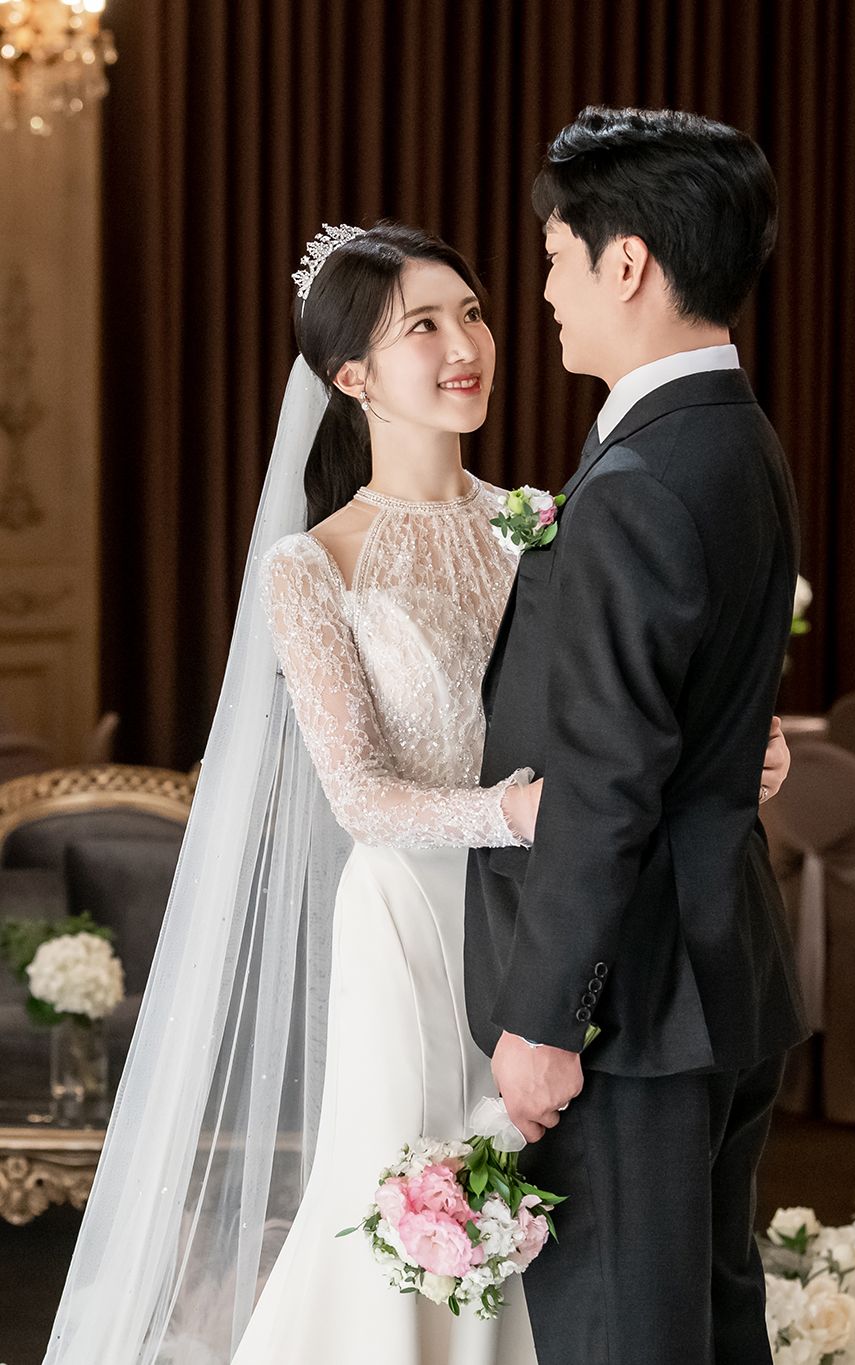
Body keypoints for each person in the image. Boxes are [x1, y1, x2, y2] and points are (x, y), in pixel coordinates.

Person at [43, 221, 791, 1365]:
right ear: (351, 377)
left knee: (564, 1224)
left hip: (551, 922)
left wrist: (734, 755)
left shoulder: (544, 520)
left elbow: (629, 719)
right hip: (412, 927)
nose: (466, 346)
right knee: (418, 1215)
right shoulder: (312, 565)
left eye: (474, 313)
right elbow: (359, 796)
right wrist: (519, 812)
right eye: (424, 327)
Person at [465, 107, 809, 1365]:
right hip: (717, 975)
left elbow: (605, 781)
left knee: (625, 1340)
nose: (544, 293)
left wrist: (548, 1018)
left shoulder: (642, 476)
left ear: (627, 264)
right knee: (706, 1328)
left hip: (640, 1006)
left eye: (556, 257)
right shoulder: (735, 438)